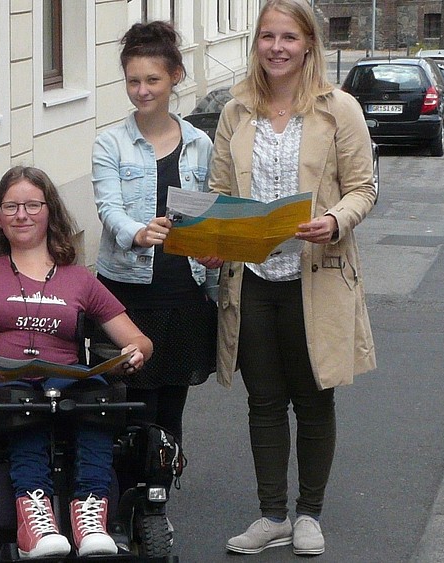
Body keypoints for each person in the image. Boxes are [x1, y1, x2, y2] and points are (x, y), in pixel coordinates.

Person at [200, 0, 377, 556]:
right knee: (264, 401)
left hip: (315, 275)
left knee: (314, 395)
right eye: (267, 36)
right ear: (257, 44)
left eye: (289, 38)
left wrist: (334, 220)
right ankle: (272, 513)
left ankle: (309, 513)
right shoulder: (236, 111)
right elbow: (220, 193)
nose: (277, 47)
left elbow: (364, 188)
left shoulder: (338, 109)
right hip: (251, 278)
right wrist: (210, 241)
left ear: (308, 46)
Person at [0, 166, 153, 558]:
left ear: (50, 212)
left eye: (32, 205)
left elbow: (137, 339)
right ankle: (35, 521)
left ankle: (90, 513)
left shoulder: (78, 279)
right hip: (1, 383)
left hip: (67, 381)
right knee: (24, 405)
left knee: (98, 401)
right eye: (11, 206)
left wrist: (133, 352)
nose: (22, 214)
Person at [90, 20, 217, 496]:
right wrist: (137, 233)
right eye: (133, 81)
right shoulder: (111, 142)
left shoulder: (200, 144)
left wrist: (215, 250)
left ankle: (157, 499)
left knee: (170, 406)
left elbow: (208, 212)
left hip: (183, 292)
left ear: (176, 77)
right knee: (127, 403)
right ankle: (122, 497)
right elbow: (108, 207)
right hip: (124, 292)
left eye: (152, 80)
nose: (142, 91)